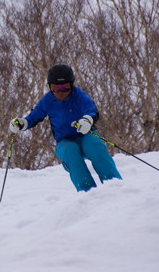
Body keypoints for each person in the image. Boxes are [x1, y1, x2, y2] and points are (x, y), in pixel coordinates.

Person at [9, 64, 121, 192]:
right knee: (71, 152)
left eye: (65, 88)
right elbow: (33, 117)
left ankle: (114, 186)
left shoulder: (78, 95)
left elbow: (91, 110)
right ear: (50, 87)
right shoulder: (48, 100)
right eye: (55, 88)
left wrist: (87, 120)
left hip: (85, 135)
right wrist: (21, 123)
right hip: (65, 141)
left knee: (95, 147)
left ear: (71, 85)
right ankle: (88, 192)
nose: (60, 92)